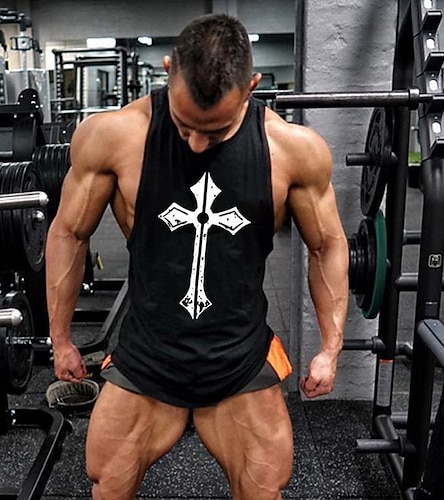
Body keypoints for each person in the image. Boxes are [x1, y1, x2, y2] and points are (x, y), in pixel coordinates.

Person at [45, 13, 349, 500]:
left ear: (251, 88)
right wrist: (60, 339)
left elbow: (327, 244)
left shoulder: (293, 151)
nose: (197, 143)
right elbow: (68, 232)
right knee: (107, 482)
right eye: (185, 125)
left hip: (239, 357)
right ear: (168, 70)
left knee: (265, 488)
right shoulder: (113, 137)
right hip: (147, 355)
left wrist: (331, 348)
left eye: (217, 130)